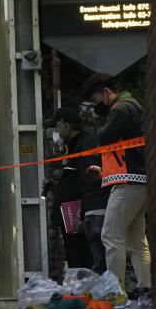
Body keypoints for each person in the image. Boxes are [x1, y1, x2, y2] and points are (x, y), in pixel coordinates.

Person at [82, 74, 151, 288]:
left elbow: (103, 137)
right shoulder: (131, 107)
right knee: (137, 241)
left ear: (106, 92)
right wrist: (105, 172)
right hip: (136, 179)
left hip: (127, 182)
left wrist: (96, 125)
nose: (96, 106)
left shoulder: (120, 109)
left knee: (110, 236)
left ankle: (114, 290)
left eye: (96, 101)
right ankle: (146, 289)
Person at [46, 107, 109, 273]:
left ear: (66, 126)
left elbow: (89, 181)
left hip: (78, 221)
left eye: (56, 127)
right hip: (71, 220)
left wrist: (81, 217)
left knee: (84, 266)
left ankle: (89, 298)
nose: (55, 132)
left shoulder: (85, 145)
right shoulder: (74, 147)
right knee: (77, 265)